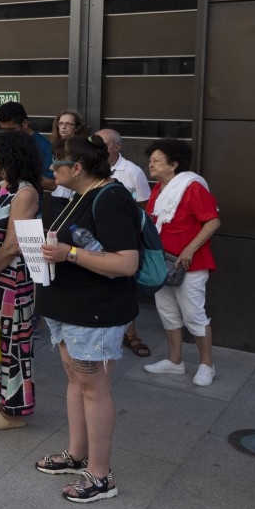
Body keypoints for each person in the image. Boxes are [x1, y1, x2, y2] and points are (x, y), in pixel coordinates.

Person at [38, 135, 141, 503]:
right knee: (76, 380)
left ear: (77, 168)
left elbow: (127, 263)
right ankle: (76, 454)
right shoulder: (80, 195)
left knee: (93, 388)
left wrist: (68, 255)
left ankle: (100, 475)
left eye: (57, 163)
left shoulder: (110, 197)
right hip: (70, 307)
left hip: (94, 311)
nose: (52, 168)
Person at [0, 129, 41, 429]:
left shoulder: (26, 192)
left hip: (12, 277)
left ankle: (16, 412)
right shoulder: (0, 185)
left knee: (14, 345)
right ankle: (2, 398)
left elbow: (13, 244)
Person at [143, 139, 221, 386]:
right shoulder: (159, 188)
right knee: (167, 312)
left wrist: (188, 249)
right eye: (151, 159)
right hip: (161, 262)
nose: (150, 164)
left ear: (174, 164)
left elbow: (213, 221)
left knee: (194, 315)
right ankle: (175, 361)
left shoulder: (192, 187)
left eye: (156, 160)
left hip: (190, 264)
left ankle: (207, 365)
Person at [97, 128, 153, 358]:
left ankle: (131, 334)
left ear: (117, 147)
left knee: (126, 285)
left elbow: (144, 207)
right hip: (96, 238)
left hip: (124, 239)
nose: (99, 148)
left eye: (104, 144)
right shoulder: (92, 168)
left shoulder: (132, 172)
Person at [0, 101, 56, 191]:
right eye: (3, 130)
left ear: (24, 123)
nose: (6, 134)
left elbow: (51, 184)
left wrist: (16, 175)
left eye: (11, 129)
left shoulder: (44, 146)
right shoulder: (3, 143)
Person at [49, 110, 89, 205]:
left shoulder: (83, 146)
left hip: (77, 194)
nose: (63, 126)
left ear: (76, 127)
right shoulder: (56, 145)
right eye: (61, 123)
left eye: (68, 124)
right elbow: (52, 168)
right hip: (59, 195)